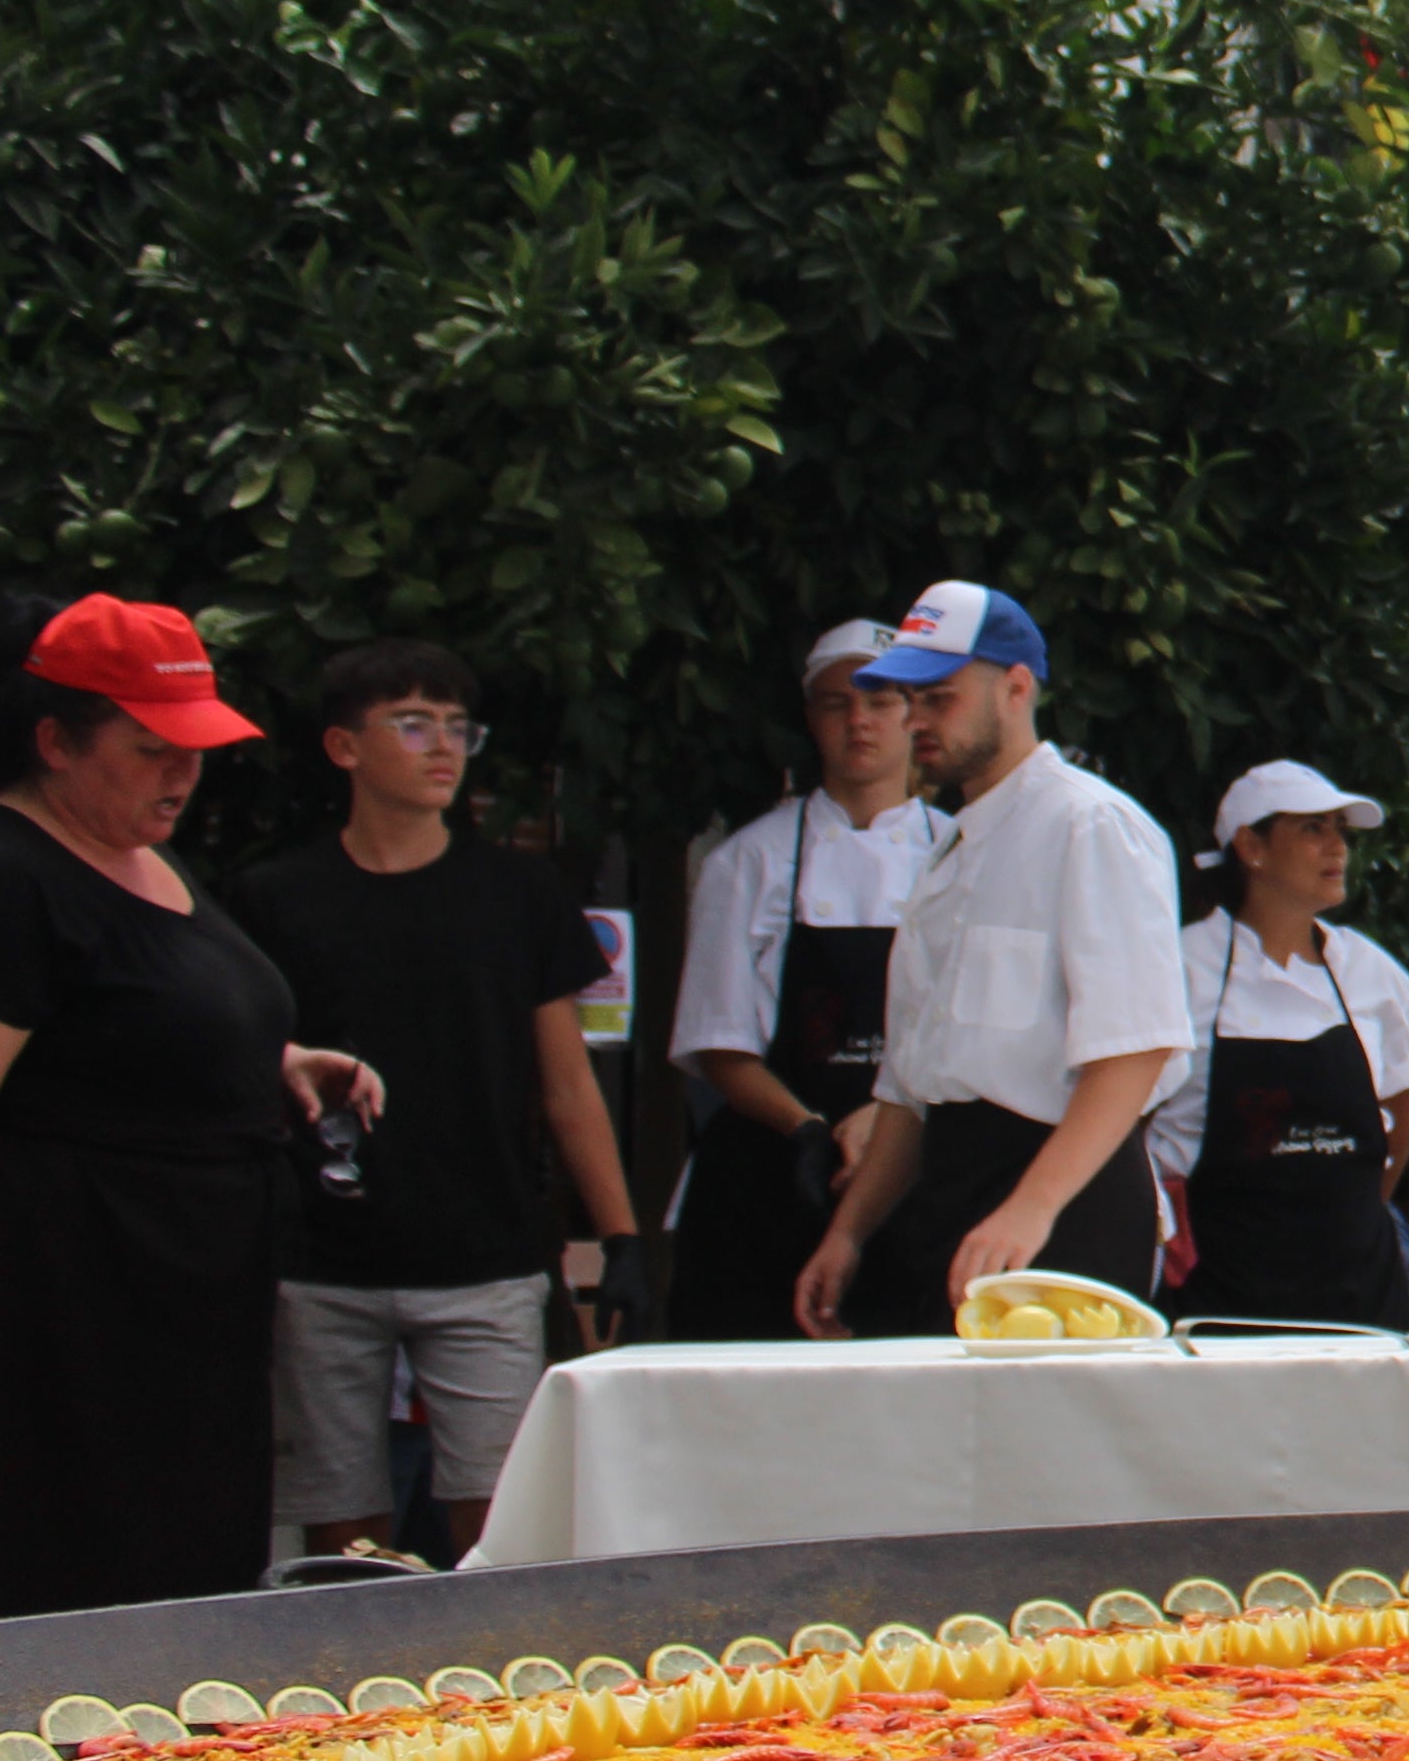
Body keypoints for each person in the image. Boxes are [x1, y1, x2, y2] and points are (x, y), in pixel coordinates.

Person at [0, 598, 382, 1622]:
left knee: (185, 1587)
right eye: (149, 748)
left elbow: (128, 1017)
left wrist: (271, 1061)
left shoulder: (139, 846)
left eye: (194, 748)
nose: (180, 772)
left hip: (187, 1312)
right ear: (54, 743)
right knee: (66, 1586)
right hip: (61, 1315)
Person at [225, 640, 638, 1561]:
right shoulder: (274, 896)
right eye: (412, 724)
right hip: (326, 1257)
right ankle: (342, 1700)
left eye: (459, 727)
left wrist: (622, 1239)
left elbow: (568, 1084)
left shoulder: (517, 891)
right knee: (339, 1532)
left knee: (500, 1524)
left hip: (484, 1250)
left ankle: (489, 1698)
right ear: (343, 747)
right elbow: (251, 1070)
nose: (443, 747)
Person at [792, 585, 1185, 1335]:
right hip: (959, 1200)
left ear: (1016, 687)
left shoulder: (1091, 825)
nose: (916, 723)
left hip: (1065, 1205)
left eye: (938, 698)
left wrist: (1031, 1209)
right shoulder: (950, 850)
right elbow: (912, 1086)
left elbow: (1137, 1051)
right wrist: (849, 1232)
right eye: (911, 700)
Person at [665, 622, 951, 1342]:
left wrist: (888, 1124)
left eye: (880, 700)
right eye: (835, 703)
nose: (858, 720)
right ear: (809, 719)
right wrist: (812, 1130)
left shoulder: (962, 857)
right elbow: (720, 1044)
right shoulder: (748, 861)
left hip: (924, 1179)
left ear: (915, 715)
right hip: (771, 1177)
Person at [1137, 763, 1409, 1330]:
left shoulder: (1372, 973)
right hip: (1223, 1302)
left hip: (1362, 1302)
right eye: (1312, 829)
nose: (1337, 847)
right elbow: (1131, 1122)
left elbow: (1402, 1109)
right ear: (1251, 846)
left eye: (1339, 830)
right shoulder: (1181, 969)